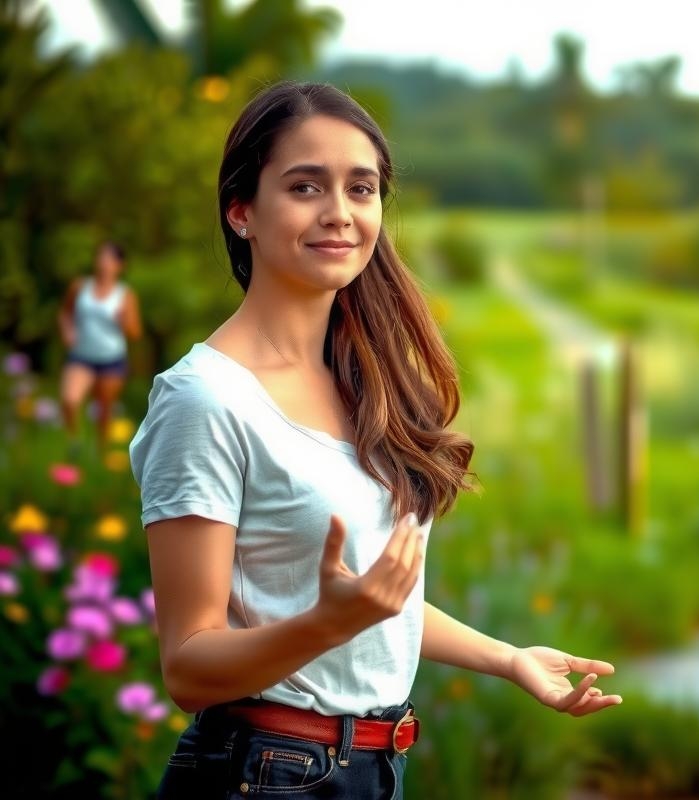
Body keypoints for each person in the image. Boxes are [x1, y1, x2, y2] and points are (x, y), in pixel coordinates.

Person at [128, 82, 620, 800]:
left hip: (371, 770)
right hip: (262, 775)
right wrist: (332, 622)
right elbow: (190, 666)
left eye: (361, 188)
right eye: (305, 186)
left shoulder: (364, 383)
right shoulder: (206, 400)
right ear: (242, 212)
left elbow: (377, 599)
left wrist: (508, 658)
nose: (339, 213)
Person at [59, 241, 142, 453]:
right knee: (70, 399)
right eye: (100, 257)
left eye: (109, 259)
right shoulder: (80, 286)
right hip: (81, 356)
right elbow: (65, 313)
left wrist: (124, 321)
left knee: (104, 411)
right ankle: (74, 443)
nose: (103, 263)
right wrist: (68, 330)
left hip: (111, 359)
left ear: (119, 265)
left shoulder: (125, 295)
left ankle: (101, 451)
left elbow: (135, 333)